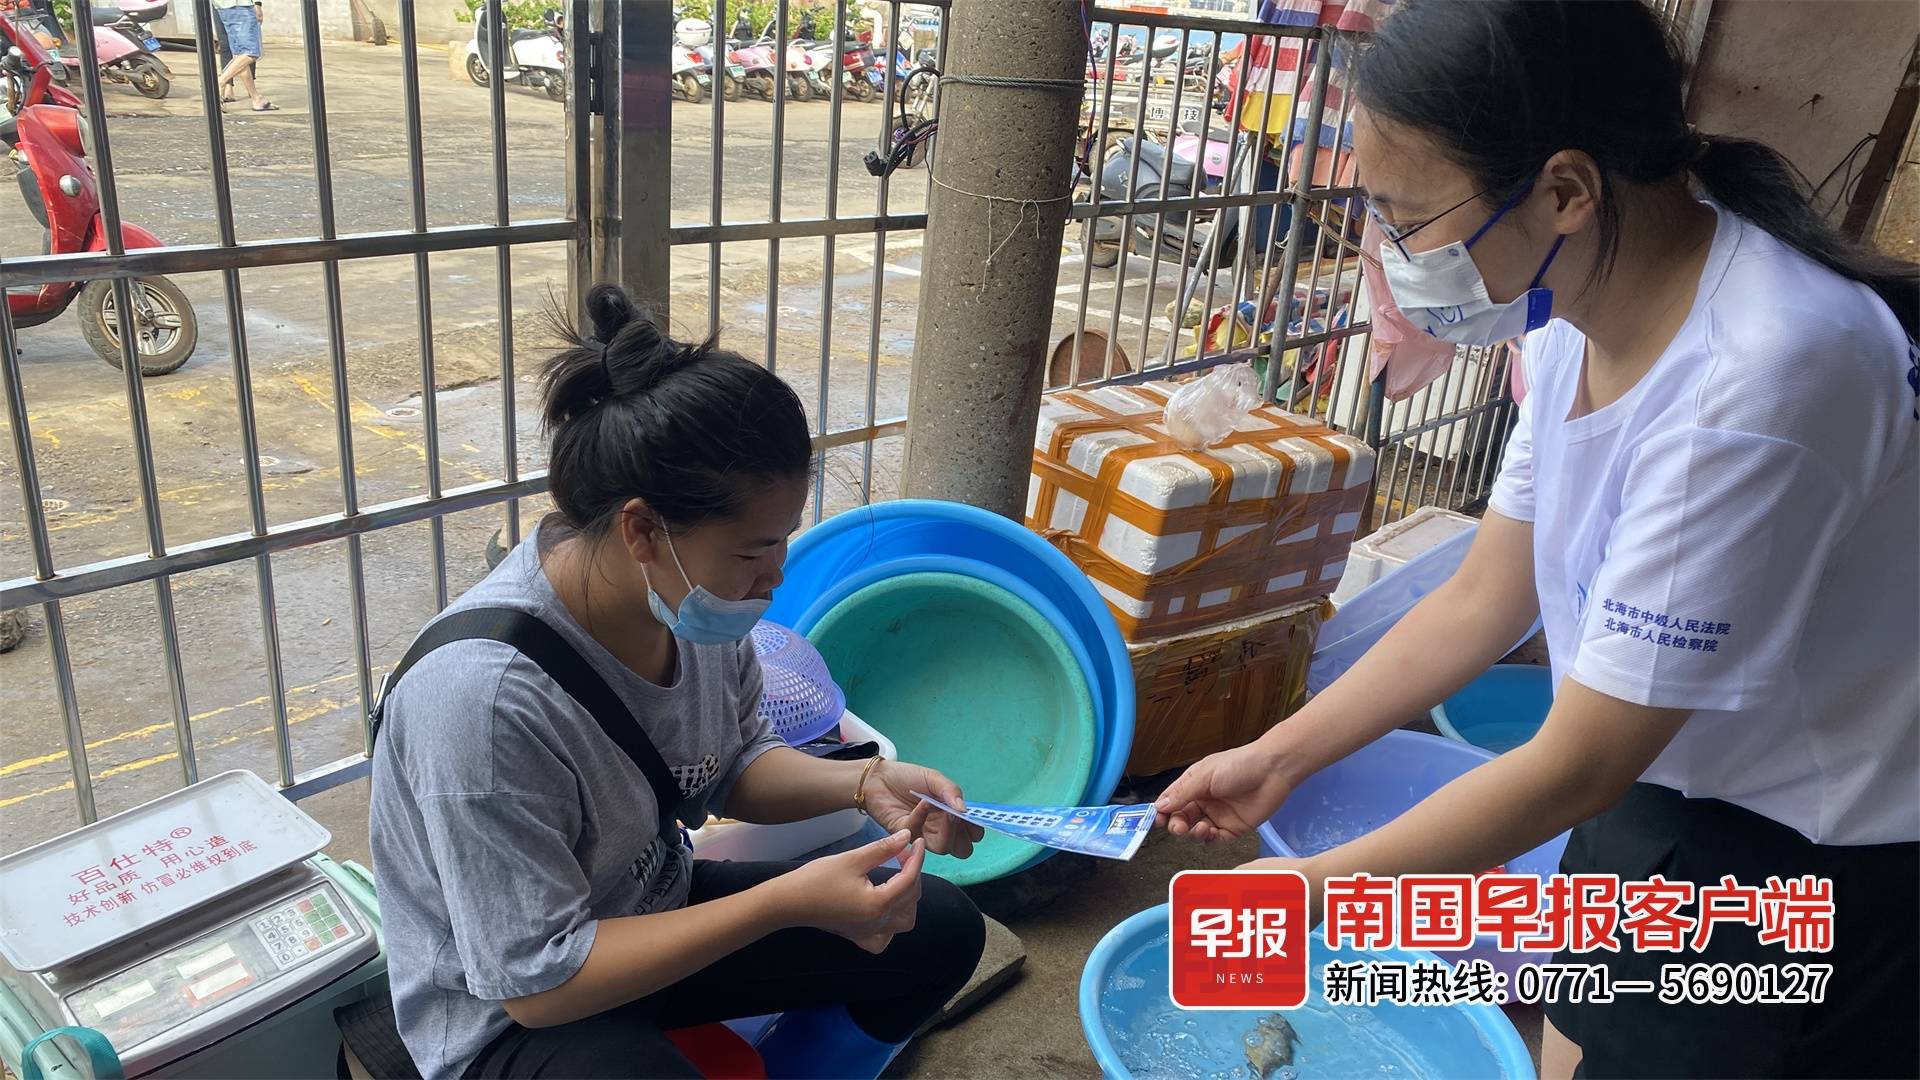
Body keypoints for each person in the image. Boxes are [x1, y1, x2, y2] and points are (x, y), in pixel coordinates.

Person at [1155, 2, 1918, 1078]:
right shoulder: (1576, 305)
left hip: (1799, 848)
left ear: (1565, 190)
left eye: (1407, 217)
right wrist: (1275, 755)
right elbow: (1485, 595)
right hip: (1654, 764)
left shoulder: (1759, 381)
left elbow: (1578, 767)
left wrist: (1303, 894)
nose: (1393, 255)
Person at [369, 284, 988, 1080]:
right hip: (510, 1010)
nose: (774, 577)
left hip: (650, 907)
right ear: (642, 530)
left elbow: (737, 763)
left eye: (782, 541)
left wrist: (866, 783)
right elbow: (536, 984)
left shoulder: (694, 603)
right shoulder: (482, 705)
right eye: (753, 551)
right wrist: (784, 902)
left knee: (937, 929)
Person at [211, 0, 273, 111]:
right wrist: (257, 3)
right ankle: (219, 82)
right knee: (250, 53)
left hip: (224, 7)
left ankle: (256, 98)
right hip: (239, 6)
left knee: (239, 55)